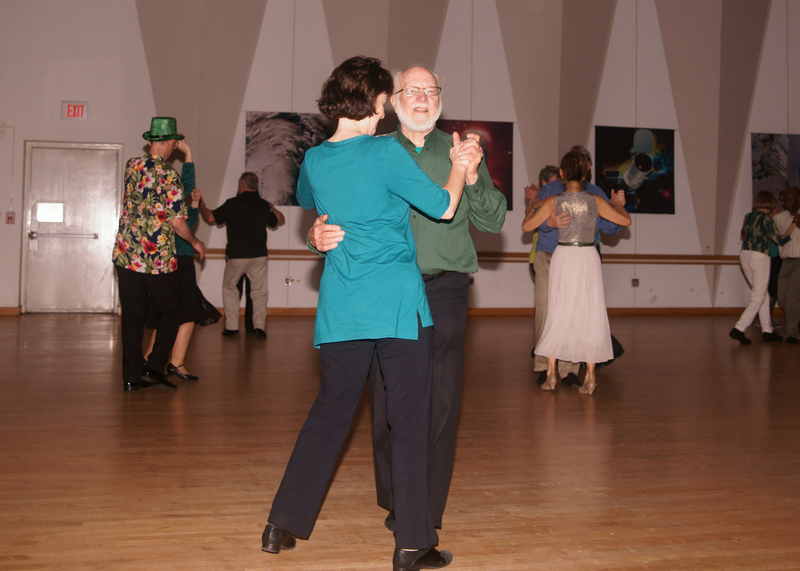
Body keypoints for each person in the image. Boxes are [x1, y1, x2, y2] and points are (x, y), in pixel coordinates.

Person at [262, 56, 475, 571]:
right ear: (379, 102)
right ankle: (412, 543)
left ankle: (281, 523)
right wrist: (459, 167)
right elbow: (443, 207)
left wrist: (317, 233)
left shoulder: (314, 158)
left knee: (329, 414)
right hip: (397, 306)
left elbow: (313, 202)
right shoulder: (384, 151)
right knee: (409, 421)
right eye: (387, 101)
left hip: (342, 307)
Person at [309, 64, 507, 534]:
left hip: (444, 289)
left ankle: (424, 514)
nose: (422, 97)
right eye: (411, 89)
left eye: (430, 90)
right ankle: (397, 502)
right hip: (385, 294)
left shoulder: (459, 151)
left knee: (441, 403)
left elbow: (495, 221)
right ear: (391, 102)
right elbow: (331, 212)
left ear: (440, 99)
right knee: (385, 405)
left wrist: (472, 175)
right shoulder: (371, 149)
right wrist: (315, 237)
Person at [522, 150, 630, 395]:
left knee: (557, 314)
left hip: (563, 256)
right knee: (588, 314)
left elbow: (527, 226)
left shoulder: (554, 199)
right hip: (586, 257)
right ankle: (589, 378)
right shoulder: (596, 199)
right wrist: (618, 205)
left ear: (562, 172)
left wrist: (534, 206)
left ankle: (554, 375)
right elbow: (625, 222)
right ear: (585, 172)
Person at [112, 117, 205, 392]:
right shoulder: (169, 175)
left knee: (132, 317)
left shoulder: (132, 165)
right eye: (175, 143)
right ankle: (154, 367)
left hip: (126, 254)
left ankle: (131, 378)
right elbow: (176, 222)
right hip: (156, 260)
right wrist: (195, 241)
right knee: (172, 311)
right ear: (171, 142)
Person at [143, 140, 207, 380]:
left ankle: (151, 359)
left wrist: (194, 204)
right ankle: (174, 363)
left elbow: (186, 222)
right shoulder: (169, 183)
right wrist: (188, 152)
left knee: (168, 311)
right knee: (187, 311)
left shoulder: (148, 187)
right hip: (179, 258)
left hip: (167, 256)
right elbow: (187, 184)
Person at [198, 172, 284, 338]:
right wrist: (274, 209)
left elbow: (210, 218)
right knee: (259, 293)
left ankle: (232, 327)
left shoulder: (232, 204)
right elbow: (279, 221)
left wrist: (202, 206)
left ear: (241, 186)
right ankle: (259, 327)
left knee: (230, 289)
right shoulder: (263, 205)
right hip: (259, 255)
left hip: (237, 254)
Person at [729, 191, 794, 344]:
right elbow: (780, 240)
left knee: (763, 294)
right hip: (759, 257)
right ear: (770, 204)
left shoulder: (748, 216)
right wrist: (793, 225)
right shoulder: (766, 218)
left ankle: (767, 330)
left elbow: (744, 235)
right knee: (758, 296)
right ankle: (739, 328)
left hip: (745, 255)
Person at [525, 165, 560, 358]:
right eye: (554, 182)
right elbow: (528, 221)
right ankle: (544, 351)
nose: (558, 186)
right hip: (539, 257)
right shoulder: (541, 197)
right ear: (544, 183)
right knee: (545, 308)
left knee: (559, 308)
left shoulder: (552, 197)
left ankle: (554, 351)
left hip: (559, 256)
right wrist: (534, 200)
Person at [774, 187, 800, 344]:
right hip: (785, 261)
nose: (786, 203)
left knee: (791, 298)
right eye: (784, 200)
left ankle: (793, 334)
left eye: (790, 199)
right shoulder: (780, 217)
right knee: (782, 298)